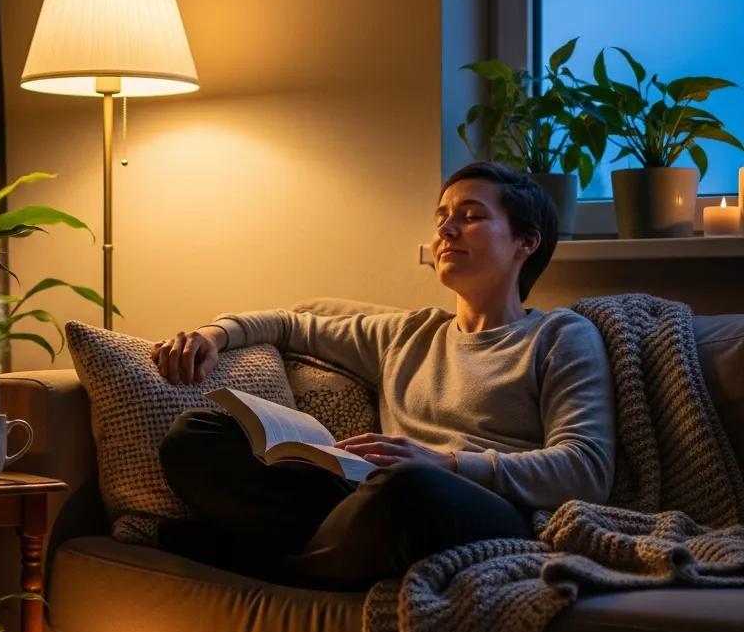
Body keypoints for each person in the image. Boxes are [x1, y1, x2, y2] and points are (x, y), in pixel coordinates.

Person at [150, 162, 616, 588]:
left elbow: (586, 469)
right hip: (369, 497)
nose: (447, 230)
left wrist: (447, 463)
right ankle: (326, 555)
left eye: (470, 216)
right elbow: (292, 324)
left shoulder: (560, 335)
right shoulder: (408, 333)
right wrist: (214, 335)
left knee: (410, 487)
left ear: (525, 241)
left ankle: (282, 568)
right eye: (441, 219)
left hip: (469, 504)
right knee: (196, 434)